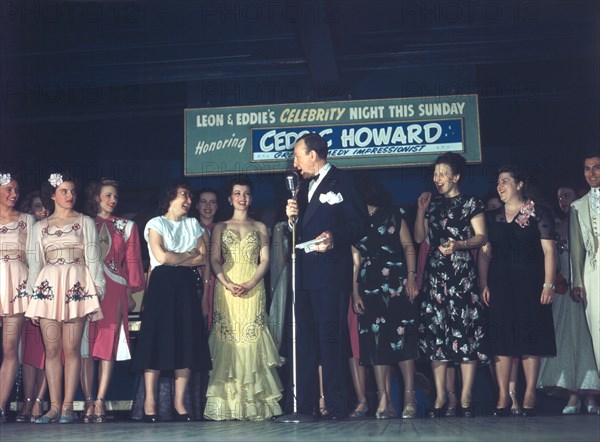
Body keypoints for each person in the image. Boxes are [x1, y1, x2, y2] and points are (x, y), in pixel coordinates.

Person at [285, 133, 368, 419]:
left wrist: (335, 236)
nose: (295, 163)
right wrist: (291, 218)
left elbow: (360, 224)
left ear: (314, 154)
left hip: (331, 272)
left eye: (297, 156)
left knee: (331, 338)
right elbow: (299, 232)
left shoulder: (342, 181)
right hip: (305, 273)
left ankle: (335, 405)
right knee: (306, 338)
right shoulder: (301, 188)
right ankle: (307, 405)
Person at [25, 172, 105, 424]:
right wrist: (31, 299)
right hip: (47, 290)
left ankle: (68, 407)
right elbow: (34, 263)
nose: (70, 196)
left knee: (71, 349)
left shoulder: (85, 222)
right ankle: (54, 407)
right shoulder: (40, 227)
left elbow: (93, 258)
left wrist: (97, 289)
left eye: (72, 191)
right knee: (51, 350)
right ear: (52, 195)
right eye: (64, 191)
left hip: (75, 288)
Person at [414, 152, 488, 418]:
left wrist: (459, 245)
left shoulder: (471, 202)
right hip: (436, 276)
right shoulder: (432, 204)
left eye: (443, 173)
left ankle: (466, 397)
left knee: (465, 334)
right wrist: (421, 209)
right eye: (435, 174)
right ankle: (441, 397)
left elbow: (481, 237)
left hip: (461, 274)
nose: (438, 179)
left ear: (456, 176)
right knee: (437, 335)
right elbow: (420, 238)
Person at [479, 165, 557, 417]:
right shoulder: (492, 217)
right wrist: (484, 283)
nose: (500, 186)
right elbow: (484, 254)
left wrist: (548, 283)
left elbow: (549, 251)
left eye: (505, 181)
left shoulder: (538, 212)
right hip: (500, 283)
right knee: (501, 338)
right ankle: (502, 396)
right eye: (498, 182)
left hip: (530, 284)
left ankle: (530, 393)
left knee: (529, 336)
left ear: (520, 184)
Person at [204, 175, 283, 421]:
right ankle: (228, 405)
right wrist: (226, 282)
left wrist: (250, 283)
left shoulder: (260, 227)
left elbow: (267, 260)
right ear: (230, 198)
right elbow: (214, 259)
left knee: (252, 337)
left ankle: (253, 405)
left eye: (246, 193)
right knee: (229, 339)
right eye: (238, 193)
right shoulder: (220, 226)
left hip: (253, 285)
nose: (242, 198)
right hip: (226, 286)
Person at [131, 181, 211, 423]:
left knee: (186, 339)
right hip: (162, 284)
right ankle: (150, 404)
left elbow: (203, 257)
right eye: (184, 195)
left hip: (187, 284)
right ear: (170, 197)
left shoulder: (192, 224)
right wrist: (187, 255)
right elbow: (161, 256)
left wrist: (179, 258)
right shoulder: (156, 223)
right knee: (156, 339)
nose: (188, 200)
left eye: (189, 196)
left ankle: (180, 403)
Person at [351, 176, 420, 419]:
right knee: (375, 343)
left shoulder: (394, 213)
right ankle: (384, 398)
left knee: (403, 341)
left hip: (397, 283)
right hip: (369, 285)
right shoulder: (355, 221)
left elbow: (409, 246)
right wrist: (355, 291)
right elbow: (355, 261)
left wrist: (412, 278)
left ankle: (410, 397)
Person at [78, 179, 145, 423]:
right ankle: (87, 400)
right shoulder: (82, 223)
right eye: (108, 195)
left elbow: (133, 261)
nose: (112, 200)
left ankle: (100, 400)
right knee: (85, 347)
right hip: (84, 289)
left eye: (115, 196)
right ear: (96, 197)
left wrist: (130, 292)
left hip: (115, 289)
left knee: (107, 346)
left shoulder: (126, 226)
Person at [537, 185, 600, 414]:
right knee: (568, 343)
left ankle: (591, 395)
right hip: (564, 293)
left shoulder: (587, 220)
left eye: (567, 195)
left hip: (586, 288)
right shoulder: (553, 225)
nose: (563, 200)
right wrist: (555, 280)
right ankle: (574, 395)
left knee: (587, 341)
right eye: (560, 197)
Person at [0, 173, 34, 423]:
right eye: (8, 189)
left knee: (10, 347)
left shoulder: (27, 220)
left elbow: (34, 257)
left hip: (16, 286)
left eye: (17, 190)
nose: (14, 194)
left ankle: (1, 405)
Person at [16, 191, 49, 423]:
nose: (43, 211)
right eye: (38, 207)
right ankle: (27, 402)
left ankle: (39, 400)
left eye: (45, 207)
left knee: (49, 352)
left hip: (50, 295)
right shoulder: (25, 232)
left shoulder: (55, 231)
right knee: (29, 353)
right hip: (28, 296)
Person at [570, 153, 600, 404]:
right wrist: (577, 282)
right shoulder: (577, 206)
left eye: (597, 168)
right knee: (598, 333)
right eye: (587, 169)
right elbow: (577, 248)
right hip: (593, 273)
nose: (591, 173)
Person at [195, 188, 219, 328]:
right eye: (204, 202)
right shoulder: (191, 227)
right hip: (198, 281)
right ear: (197, 205)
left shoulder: (222, 228)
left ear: (217, 206)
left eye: (212, 202)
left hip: (218, 280)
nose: (208, 206)